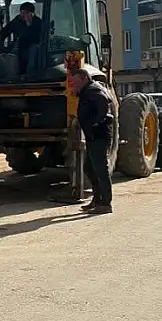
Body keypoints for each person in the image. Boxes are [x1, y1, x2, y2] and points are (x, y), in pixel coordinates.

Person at [68, 67, 114, 214]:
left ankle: (106, 204)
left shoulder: (93, 89)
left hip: (98, 135)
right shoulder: (87, 90)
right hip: (93, 136)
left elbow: (103, 103)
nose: (74, 85)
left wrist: (96, 124)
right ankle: (97, 199)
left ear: (84, 79)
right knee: (89, 167)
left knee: (101, 169)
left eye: (75, 82)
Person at [0, 2, 45, 75]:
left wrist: (29, 24)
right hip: (18, 47)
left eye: (25, 13)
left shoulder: (38, 23)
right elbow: (4, 32)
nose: (23, 16)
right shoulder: (17, 21)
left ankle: (30, 74)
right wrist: (0, 43)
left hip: (32, 48)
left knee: (34, 49)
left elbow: (36, 37)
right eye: (22, 13)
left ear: (31, 14)